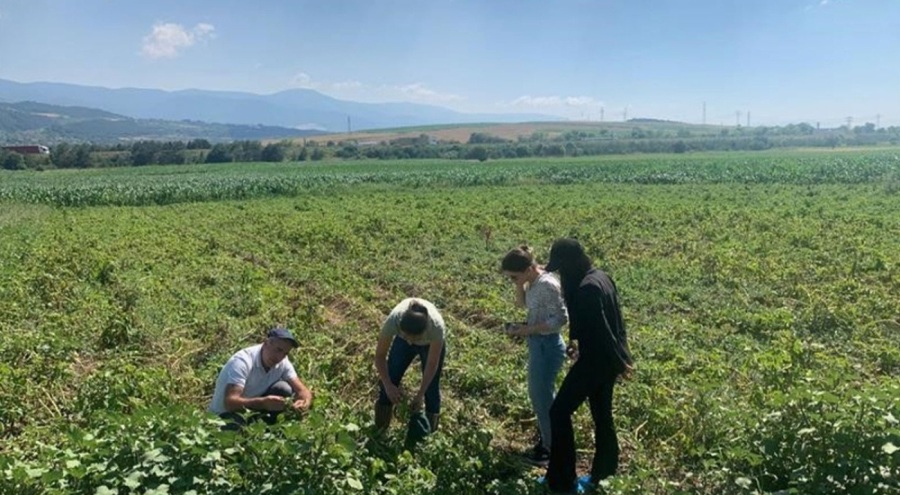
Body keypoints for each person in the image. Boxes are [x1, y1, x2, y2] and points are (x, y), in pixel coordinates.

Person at [542, 238, 633, 493]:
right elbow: (616, 323)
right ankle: (603, 477)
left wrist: (621, 362)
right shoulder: (601, 277)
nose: (561, 273)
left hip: (597, 361)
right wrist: (619, 357)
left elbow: (604, 331)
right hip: (604, 361)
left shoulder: (587, 289)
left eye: (562, 267)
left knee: (558, 412)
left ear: (571, 263)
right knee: (602, 415)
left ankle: (562, 481)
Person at [500, 245, 569, 467]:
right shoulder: (533, 281)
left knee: (542, 399)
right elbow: (522, 305)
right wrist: (519, 284)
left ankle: (550, 449)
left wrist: (527, 330)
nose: (512, 280)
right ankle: (548, 441)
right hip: (538, 343)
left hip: (547, 346)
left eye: (514, 276)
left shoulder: (547, 284)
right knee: (540, 396)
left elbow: (560, 319)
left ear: (529, 269)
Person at [209, 327, 313, 430]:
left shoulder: (282, 362)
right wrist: (263, 403)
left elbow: (302, 390)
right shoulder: (242, 361)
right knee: (236, 424)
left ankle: (270, 430)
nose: (280, 357)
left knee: (283, 388)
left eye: (285, 353)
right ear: (266, 343)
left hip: (252, 410)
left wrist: (304, 401)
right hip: (223, 416)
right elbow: (230, 403)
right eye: (278, 350)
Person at [374, 298, 446, 433]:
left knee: (431, 387)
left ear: (424, 331)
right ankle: (380, 429)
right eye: (407, 336)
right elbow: (380, 356)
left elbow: (432, 364)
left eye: (415, 338)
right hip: (402, 339)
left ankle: (429, 433)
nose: (410, 342)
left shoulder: (436, 328)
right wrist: (388, 385)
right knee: (391, 376)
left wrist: (420, 394)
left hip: (428, 344)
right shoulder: (394, 320)